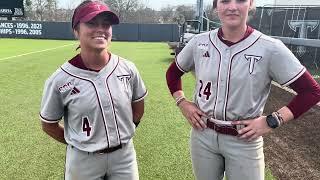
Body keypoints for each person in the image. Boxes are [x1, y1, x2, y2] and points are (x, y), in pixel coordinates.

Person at [166, 0, 320, 180]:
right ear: (216, 6)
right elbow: (172, 74)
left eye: (240, 0)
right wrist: (182, 102)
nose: (232, 6)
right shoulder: (199, 42)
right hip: (202, 135)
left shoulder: (270, 47)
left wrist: (273, 120)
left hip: (244, 140)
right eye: (224, 1)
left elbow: (311, 91)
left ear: (250, 4)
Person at [39, 1, 147, 179]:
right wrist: (80, 143)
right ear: (76, 30)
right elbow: (48, 125)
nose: (100, 29)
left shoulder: (127, 68)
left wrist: (125, 131)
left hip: (124, 156)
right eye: (91, 23)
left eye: (106, 24)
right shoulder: (59, 79)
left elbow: (138, 105)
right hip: (83, 160)